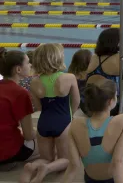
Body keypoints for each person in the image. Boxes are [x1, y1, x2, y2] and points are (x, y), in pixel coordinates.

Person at [61, 81, 123, 183]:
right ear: (111, 102)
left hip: (91, 180)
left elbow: (74, 165)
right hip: (115, 177)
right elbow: (118, 162)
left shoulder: (75, 124)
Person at [21, 43, 79, 183]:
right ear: (58, 58)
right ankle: (47, 169)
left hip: (44, 123)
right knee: (66, 160)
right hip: (63, 122)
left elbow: (39, 107)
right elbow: (76, 102)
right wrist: (69, 116)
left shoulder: (35, 82)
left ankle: (32, 167)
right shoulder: (69, 77)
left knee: (45, 158)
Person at [0, 48, 37, 170]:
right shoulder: (20, 93)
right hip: (7, 153)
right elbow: (28, 135)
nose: (30, 64)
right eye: (27, 62)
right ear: (18, 69)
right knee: (48, 141)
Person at [83, 29, 123, 116]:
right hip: (112, 107)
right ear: (117, 43)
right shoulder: (119, 58)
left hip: (87, 106)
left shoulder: (94, 57)